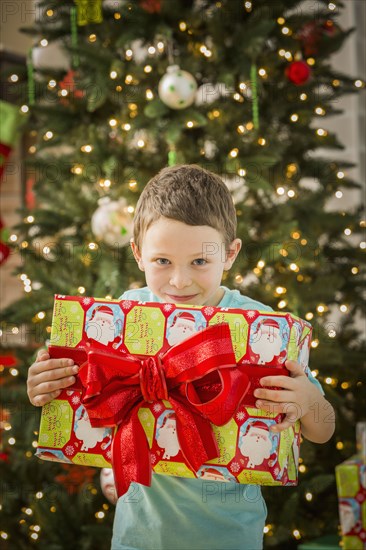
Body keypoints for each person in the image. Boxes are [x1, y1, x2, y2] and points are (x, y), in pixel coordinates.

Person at [27, 164, 335, 550]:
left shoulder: (265, 331)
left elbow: (323, 429)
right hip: (137, 537)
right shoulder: (124, 316)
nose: (179, 281)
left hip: (231, 539)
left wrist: (308, 401)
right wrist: (45, 384)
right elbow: (79, 387)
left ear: (230, 253)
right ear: (138, 254)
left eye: (200, 262)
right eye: (162, 261)